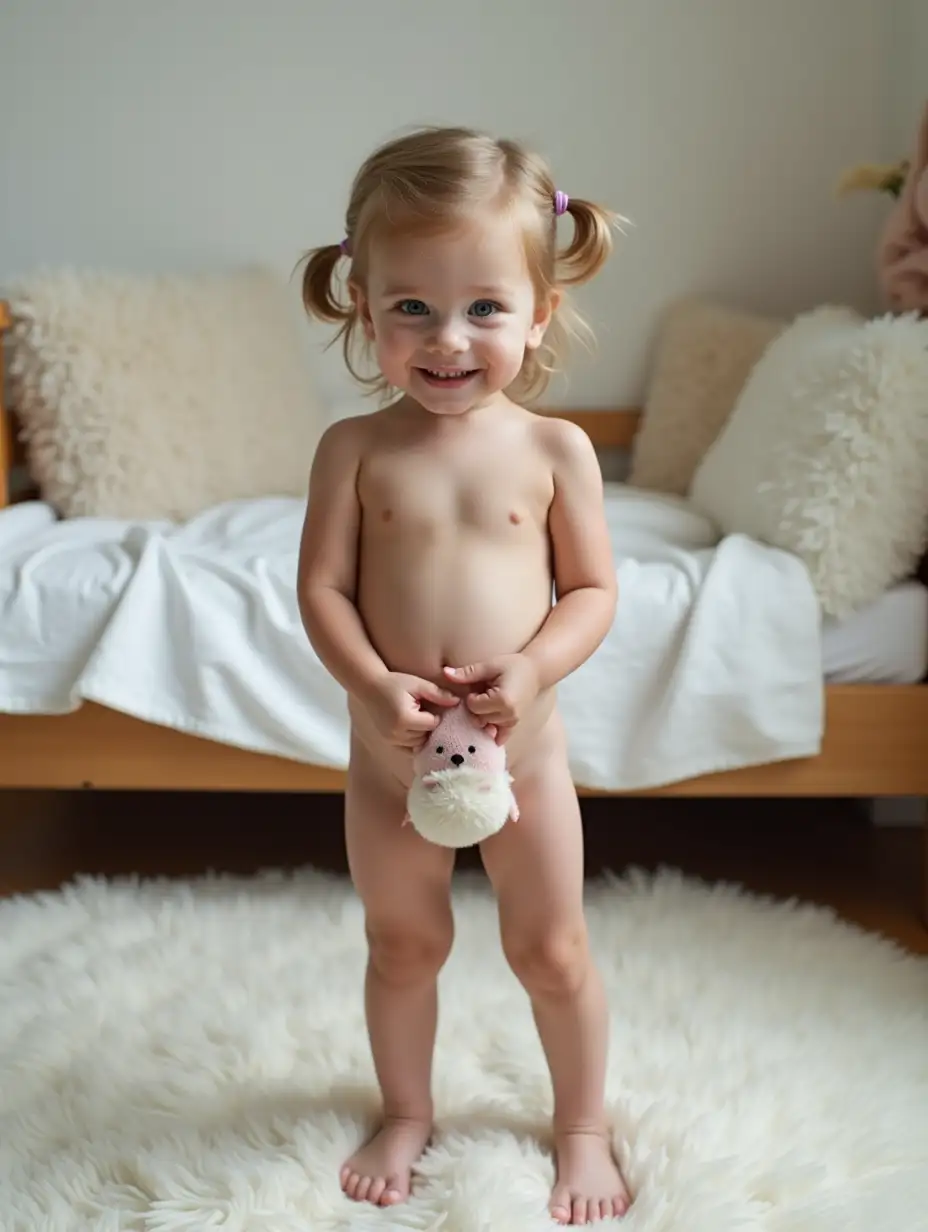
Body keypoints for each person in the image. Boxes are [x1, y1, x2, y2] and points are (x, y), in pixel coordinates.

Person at [297, 126, 628, 1226]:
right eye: (412, 308)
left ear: (537, 312)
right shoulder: (352, 448)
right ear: (363, 304)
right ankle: (405, 1107)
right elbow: (322, 592)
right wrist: (371, 686)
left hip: (521, 760)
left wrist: (532, 669)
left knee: (550, 944)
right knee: (403, 941)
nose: (448, 338)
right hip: (389, 761)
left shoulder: (553, 451)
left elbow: (590, 593)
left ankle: (579, 1123)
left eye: (484, 307)